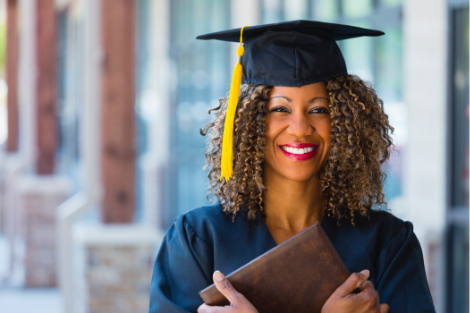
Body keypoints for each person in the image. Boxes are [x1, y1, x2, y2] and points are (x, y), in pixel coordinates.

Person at [148, 20, 436, 313]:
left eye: (318, 110)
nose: (299, 128)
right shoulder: (198, 241)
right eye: (280, 109)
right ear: (249, 122)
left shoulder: (387, 244)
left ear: (344, 122)